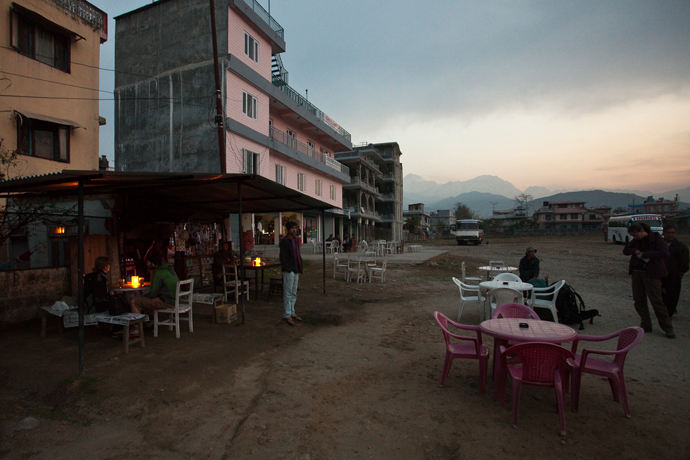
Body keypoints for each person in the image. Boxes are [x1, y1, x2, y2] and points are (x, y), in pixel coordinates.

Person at [623, 222, 674, 338]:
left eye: (636, 235)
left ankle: (667, 327)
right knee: (639, 300)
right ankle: (646, 324)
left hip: (652, 274)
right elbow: (626, 250)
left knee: (656, 301)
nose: (634, 238)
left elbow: (664, 252)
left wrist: (646, 254)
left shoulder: (656, 239)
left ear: (642, 231)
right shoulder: (636, 241)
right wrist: (634, 251)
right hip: (637, 272)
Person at [130, 251, 180, 335]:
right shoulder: (170, 270)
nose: (147, 265)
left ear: (152, 262)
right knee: (146, 300)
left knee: (134, 301)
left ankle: (136, 329)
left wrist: (144, 295)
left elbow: (152, 293)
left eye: (148, 262)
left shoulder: (159, 273)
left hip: (166, 301)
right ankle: (150, 322)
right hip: (174, 299)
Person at [662, 225, 688, 318]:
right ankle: (663, 311)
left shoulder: (681, 247)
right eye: (668, 233)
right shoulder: (659, 245)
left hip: (673, 275)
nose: (670, 235)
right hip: (659, 274)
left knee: (673, 294)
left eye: (672, 233)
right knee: (660, 294)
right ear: (663, 233)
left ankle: (669, 313)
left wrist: (681, 272)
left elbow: (685, 261)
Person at [279, 221, 303, 326]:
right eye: (293, 228)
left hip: (295, 269)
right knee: (288, 293)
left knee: (294, 292)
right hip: (289, 270)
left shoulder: (295, 240)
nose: (295, 230)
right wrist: (288, 269)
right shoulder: (285, 241)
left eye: (296, 227)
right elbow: (283, 257)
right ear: (288, 229)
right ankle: (287, 314)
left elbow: (297, 254)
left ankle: (292, 311)